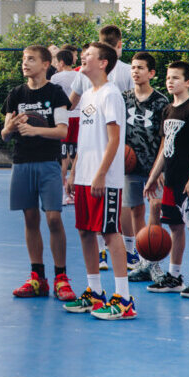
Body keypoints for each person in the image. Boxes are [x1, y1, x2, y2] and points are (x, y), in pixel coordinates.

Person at [62, 42, 134, 320]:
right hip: (84, 176)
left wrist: (101, 173)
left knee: (109, 232)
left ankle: (124, 299)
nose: (83, 57)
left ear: (103, 63)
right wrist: (74, 171)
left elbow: (114, 140)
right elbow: (84, 139)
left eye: (89, 55)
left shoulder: (110, 94)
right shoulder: (88, 95)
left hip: (105, 178)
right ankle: (95, 292)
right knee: (84, 231)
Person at [1, 45, 74, 301]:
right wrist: (10, 127)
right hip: (22, 162)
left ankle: (61, 277)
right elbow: (5, 134)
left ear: (45, 64)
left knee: (53, 218)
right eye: (24, 59)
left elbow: (63, 131)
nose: (25, 63)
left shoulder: (56, 93)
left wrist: (35, 131)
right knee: (30, 219)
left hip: (48, 163)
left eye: (31, 59)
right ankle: (37, 278)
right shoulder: (16, 94)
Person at [143, 61, 189, 297]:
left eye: (175, 78)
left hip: (188, 181)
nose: (169, 81)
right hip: (171, 179)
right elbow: (165, 146)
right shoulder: (167, 110)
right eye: (168, 77)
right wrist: (153, 176)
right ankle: (174, 276)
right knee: (175, 227)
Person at [120, 52, 169, 282]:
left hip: (154, 167)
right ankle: (143, 260)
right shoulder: (123, 98)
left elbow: (165, 138)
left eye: (140, 68)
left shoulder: (161, 101)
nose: (135, 71)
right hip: (130, 165)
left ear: (151, 73)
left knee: (156, 208)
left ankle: (154, 262)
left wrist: (158, 169)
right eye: (133, 67)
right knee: (135, 211)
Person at [50, 49, 82, 205]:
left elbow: (51, 97)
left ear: (61, 62)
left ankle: (62, 194)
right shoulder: (79, 75)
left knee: (63, 158)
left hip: (64, 117)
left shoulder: (56, 77)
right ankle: (76, 193)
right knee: (76, 156)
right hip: (79, 117)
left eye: (57, 62)